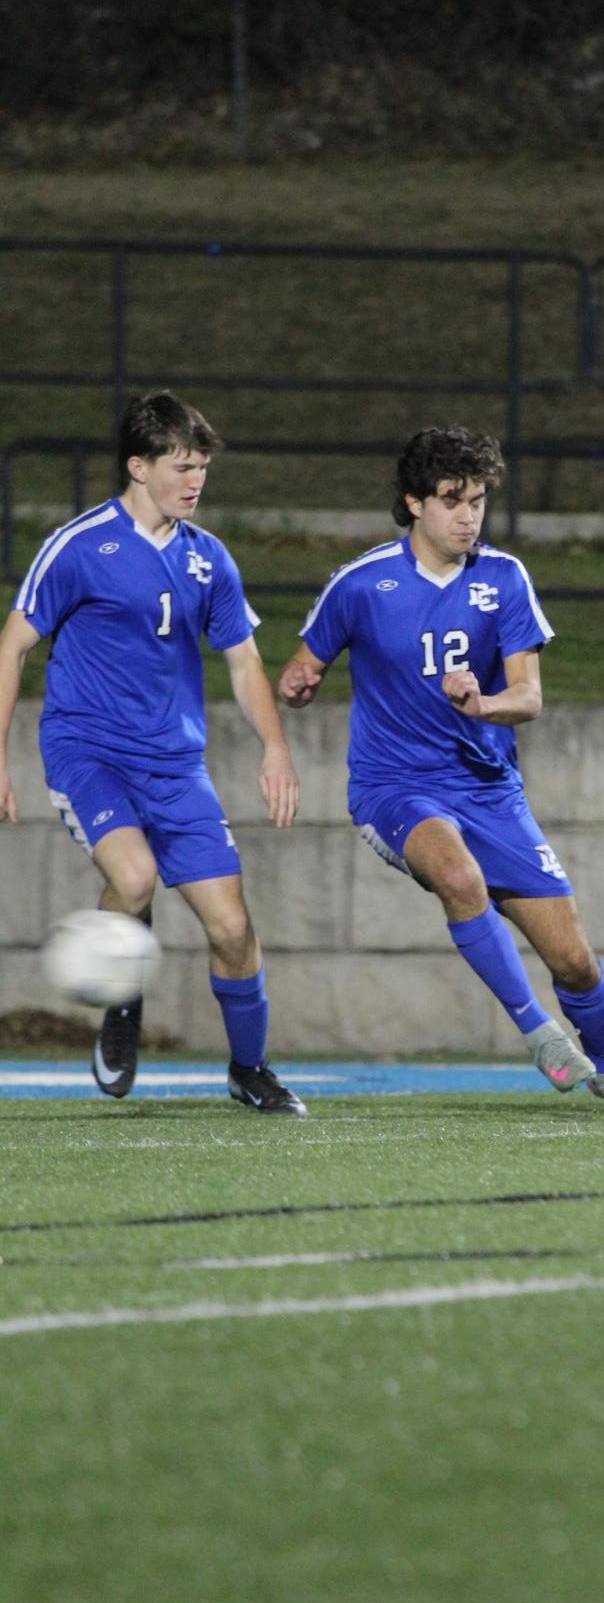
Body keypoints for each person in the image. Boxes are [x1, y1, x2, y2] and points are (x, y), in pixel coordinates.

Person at [276, 424, 604, 1117]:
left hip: (489, 791)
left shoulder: (504, 577)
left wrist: (483, 703)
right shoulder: (361, 583)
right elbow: (299, 670)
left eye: (478, 500)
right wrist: (298, 686)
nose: (469, 516)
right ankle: (538, 1032)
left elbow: (530, 697)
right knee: (459, 878)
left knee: (574, 960)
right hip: (393, 787)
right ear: (414, 502)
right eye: (452, 500)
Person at [0, 391, 306, 1114]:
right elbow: (12, 647)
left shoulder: (209, 558)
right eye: (181, 467)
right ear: (138, 466)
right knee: (134, 877)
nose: (195, 481)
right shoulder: (79, 545)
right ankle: (121, 1002)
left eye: (202, 468)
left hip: (176, 766)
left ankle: (250, 1069)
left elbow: (242, 661)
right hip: (89, 751)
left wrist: (275, 748)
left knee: (232, 927)